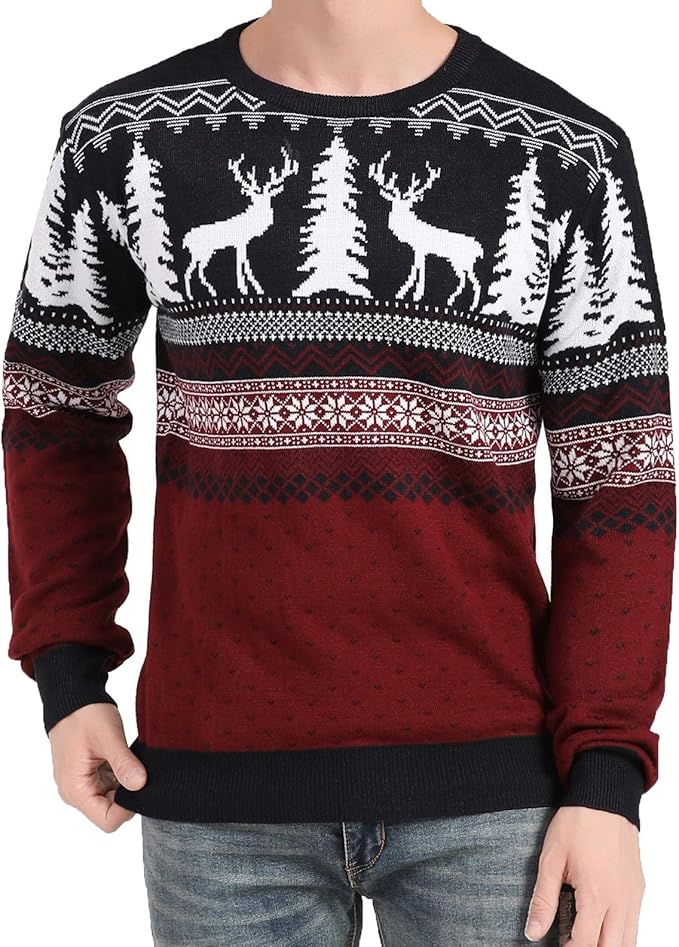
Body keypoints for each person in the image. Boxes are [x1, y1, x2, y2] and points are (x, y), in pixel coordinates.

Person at [2, 1, 674, 944]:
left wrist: (606, 776)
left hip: (497, 807)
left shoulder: (565, 155)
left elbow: (619, 476)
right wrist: (68, 673)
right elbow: (51, 406)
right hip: (215, 795)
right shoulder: (124, 136)